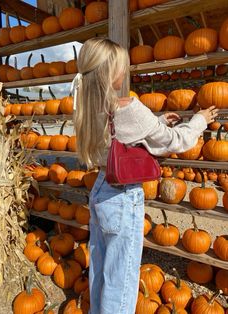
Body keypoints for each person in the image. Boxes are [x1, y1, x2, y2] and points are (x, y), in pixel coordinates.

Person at [74, 37, 218, 314]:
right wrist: (199, 120)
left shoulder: (87, 105)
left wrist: (159, 122)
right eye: (122, 68)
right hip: (123, 197)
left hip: (101, 190)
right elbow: (176, 142)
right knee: (123, 281)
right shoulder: (131, 108)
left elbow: (121, 138)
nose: (124, 73)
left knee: (102, 271)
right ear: (111, 73)